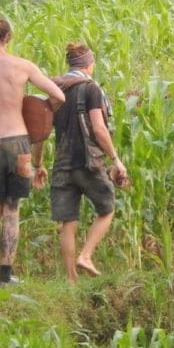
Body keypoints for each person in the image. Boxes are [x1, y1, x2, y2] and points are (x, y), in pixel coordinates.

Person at [0, 15, 64, 286]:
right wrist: (40, 112)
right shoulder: (23, 66)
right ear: (8, 37)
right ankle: (5, 275)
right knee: (12, 208)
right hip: (19, 143)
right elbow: (58, 96)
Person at [31, 42, 128, 282]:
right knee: (107, 207)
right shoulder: (90, 88)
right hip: (87, 161)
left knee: (68, 220)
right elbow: (99, 128)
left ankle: (72, 281)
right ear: (89, 64)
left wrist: (39, 164)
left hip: (62, 163)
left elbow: (41, 132)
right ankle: (85, 255)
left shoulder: (55, 91)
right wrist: (115, 159)